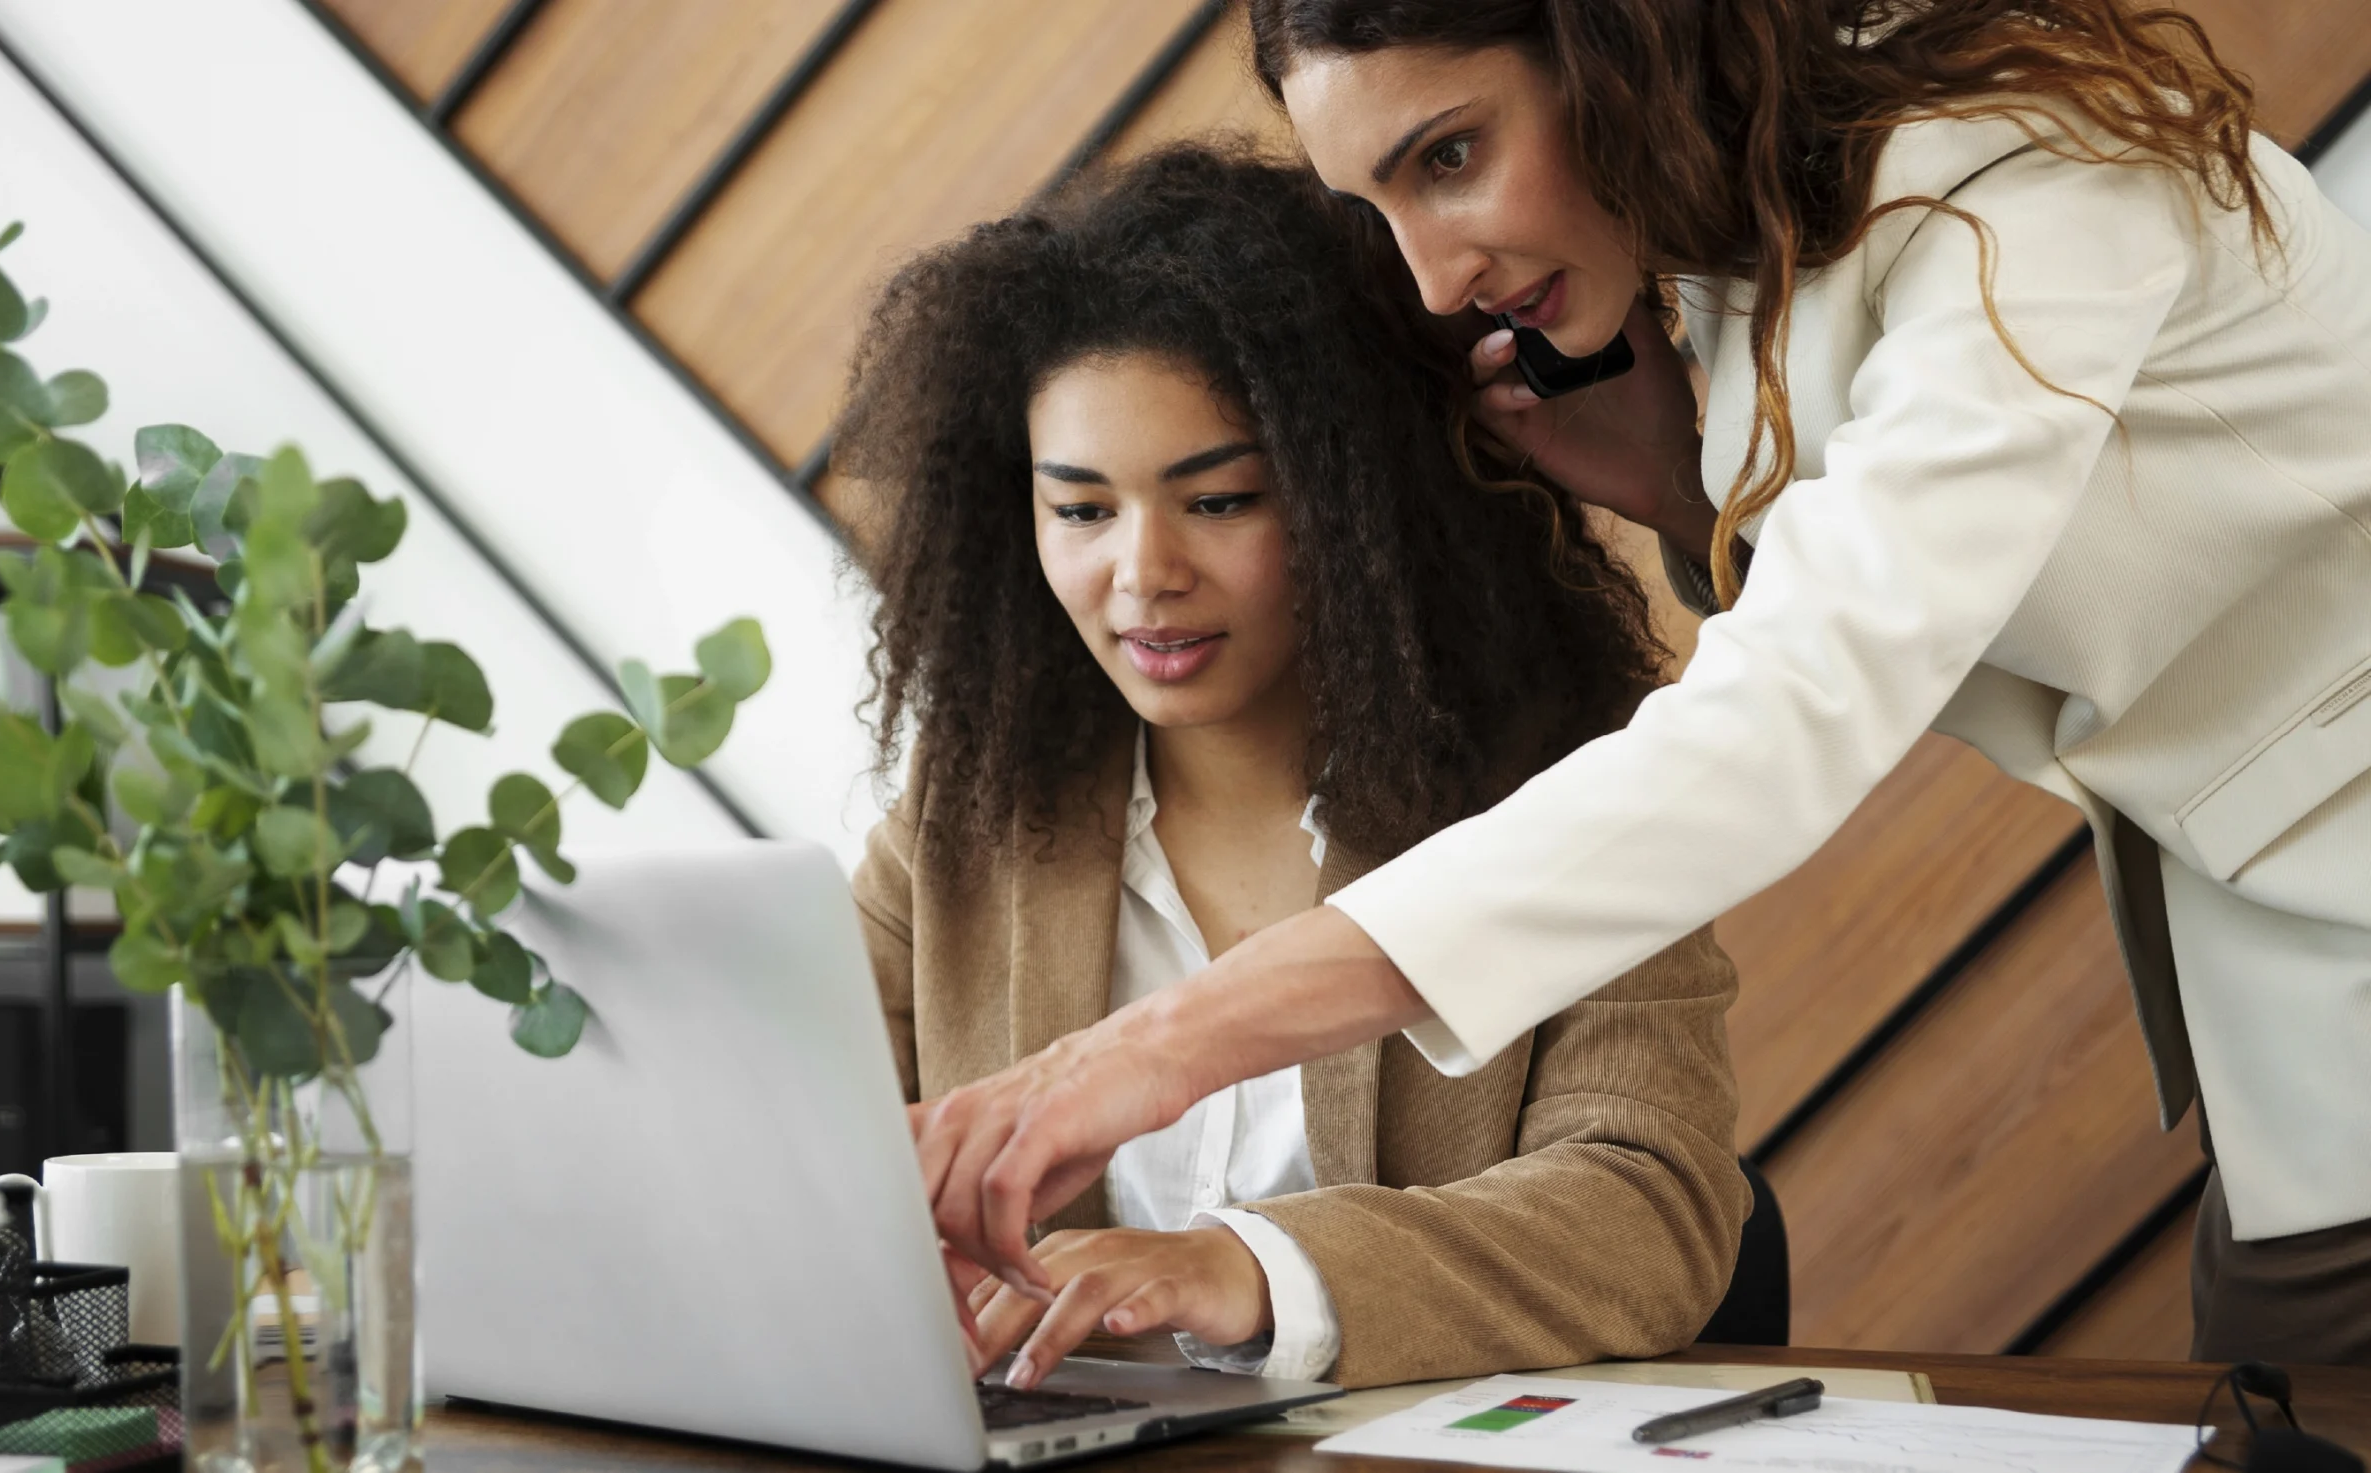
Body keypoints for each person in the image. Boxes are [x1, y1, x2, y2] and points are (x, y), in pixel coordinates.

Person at [910, 0, 2371, 1366]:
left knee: (2286, 1376)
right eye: (1380, 204)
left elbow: (1792, 711)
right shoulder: (1751, 217)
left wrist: (1162, 1048)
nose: (1433, 276)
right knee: (2278, 1369)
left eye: (1452, 156)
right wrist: (1686, 488)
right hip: (2280, 949)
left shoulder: (2024, 181)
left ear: (1610, 43)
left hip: (2329, 902)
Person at [835, 146, 1750, 1390]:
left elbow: (1652, 1213)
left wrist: (1247, 1269)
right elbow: (804, 1159)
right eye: (1083, 510)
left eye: (1219, 503)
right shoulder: (968, 819)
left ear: (1352, 504)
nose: (1143, 574)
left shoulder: (1566, 794)